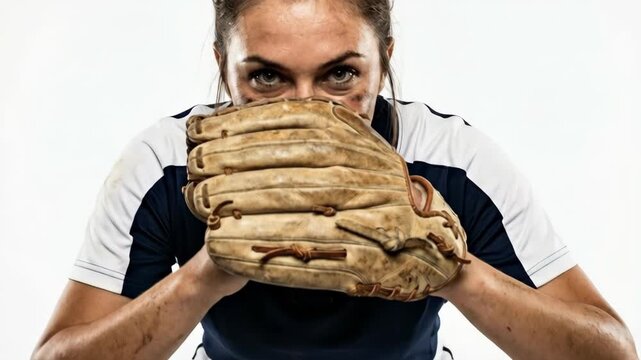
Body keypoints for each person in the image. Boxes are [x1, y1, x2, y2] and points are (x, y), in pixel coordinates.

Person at [32, 0, 637, 359]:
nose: (309, 111)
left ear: (385, 62)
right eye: (266, 79)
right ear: (222, 67)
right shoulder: (171, 162)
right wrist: (206, 276)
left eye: (340, 76)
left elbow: (611, 349)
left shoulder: (453, 161)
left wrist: (452, 271)